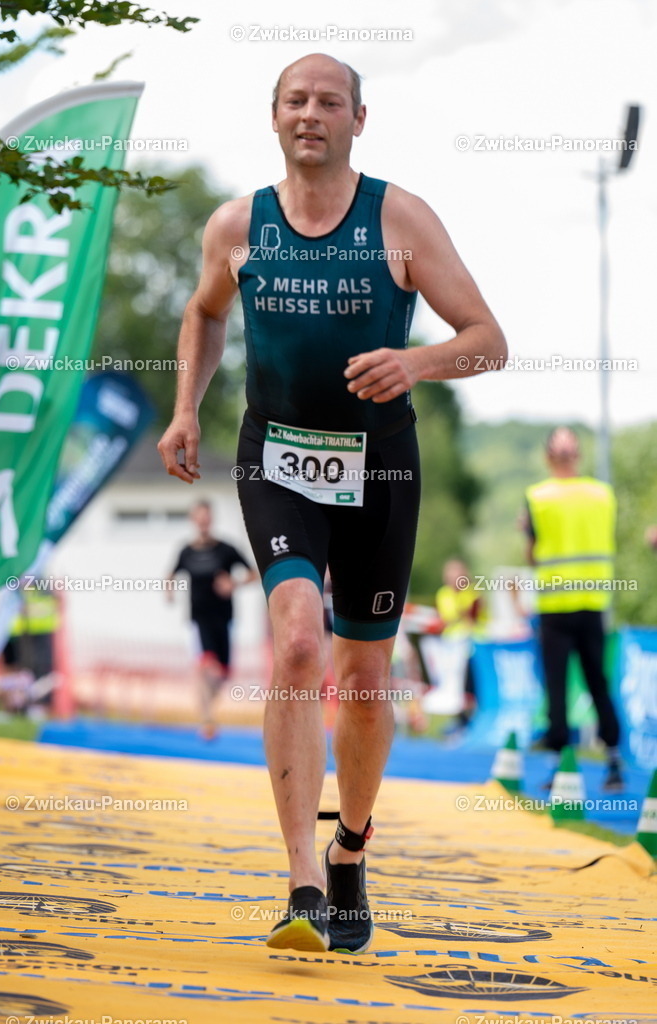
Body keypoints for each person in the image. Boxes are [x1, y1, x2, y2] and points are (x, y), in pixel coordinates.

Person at [158, 53, 506, 953]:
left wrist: (416, 362)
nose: (311, 114)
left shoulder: (398, 218)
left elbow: (487, 339)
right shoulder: (238, 224)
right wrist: (185, 409)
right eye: (295, 101)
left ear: (359, 118)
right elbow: (203, 313)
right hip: (275, 456)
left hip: (379, 468)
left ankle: (351, 846)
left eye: (329, 102)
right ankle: (302, 879)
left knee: (360, 676)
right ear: (273, 117)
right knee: (299, 638)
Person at [523, 427, 623, 791]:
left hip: (554, 606)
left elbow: (532, 554)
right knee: (599, 682)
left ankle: (558, 767)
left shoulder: (538, 496)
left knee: (557, 686)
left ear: (548, 457)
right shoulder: (602, 494)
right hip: (593, 603)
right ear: (578, 455)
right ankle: (614, 762)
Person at [168, 500, 257, 739]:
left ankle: (208, 710)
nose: (203, 521)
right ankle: (207, 720)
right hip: (198, 619)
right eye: (199, 517)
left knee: (222, 674)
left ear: (211, 519)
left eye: (206, 517)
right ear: (193, 520)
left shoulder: (226, 549)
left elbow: (254, 573)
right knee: (206, 666)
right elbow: (171, 574)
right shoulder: (186, 552)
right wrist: (169, 591)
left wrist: (233, 583)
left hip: (225, 619)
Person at [435, 559, 486, 730]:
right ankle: (460, 719)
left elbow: (475, 617)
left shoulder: (473, 592)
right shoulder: (443, 594)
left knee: (472, 683)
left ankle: (474, 717)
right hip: (452, 646)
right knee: (455, 683)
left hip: (473, 646)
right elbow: (449, 617)